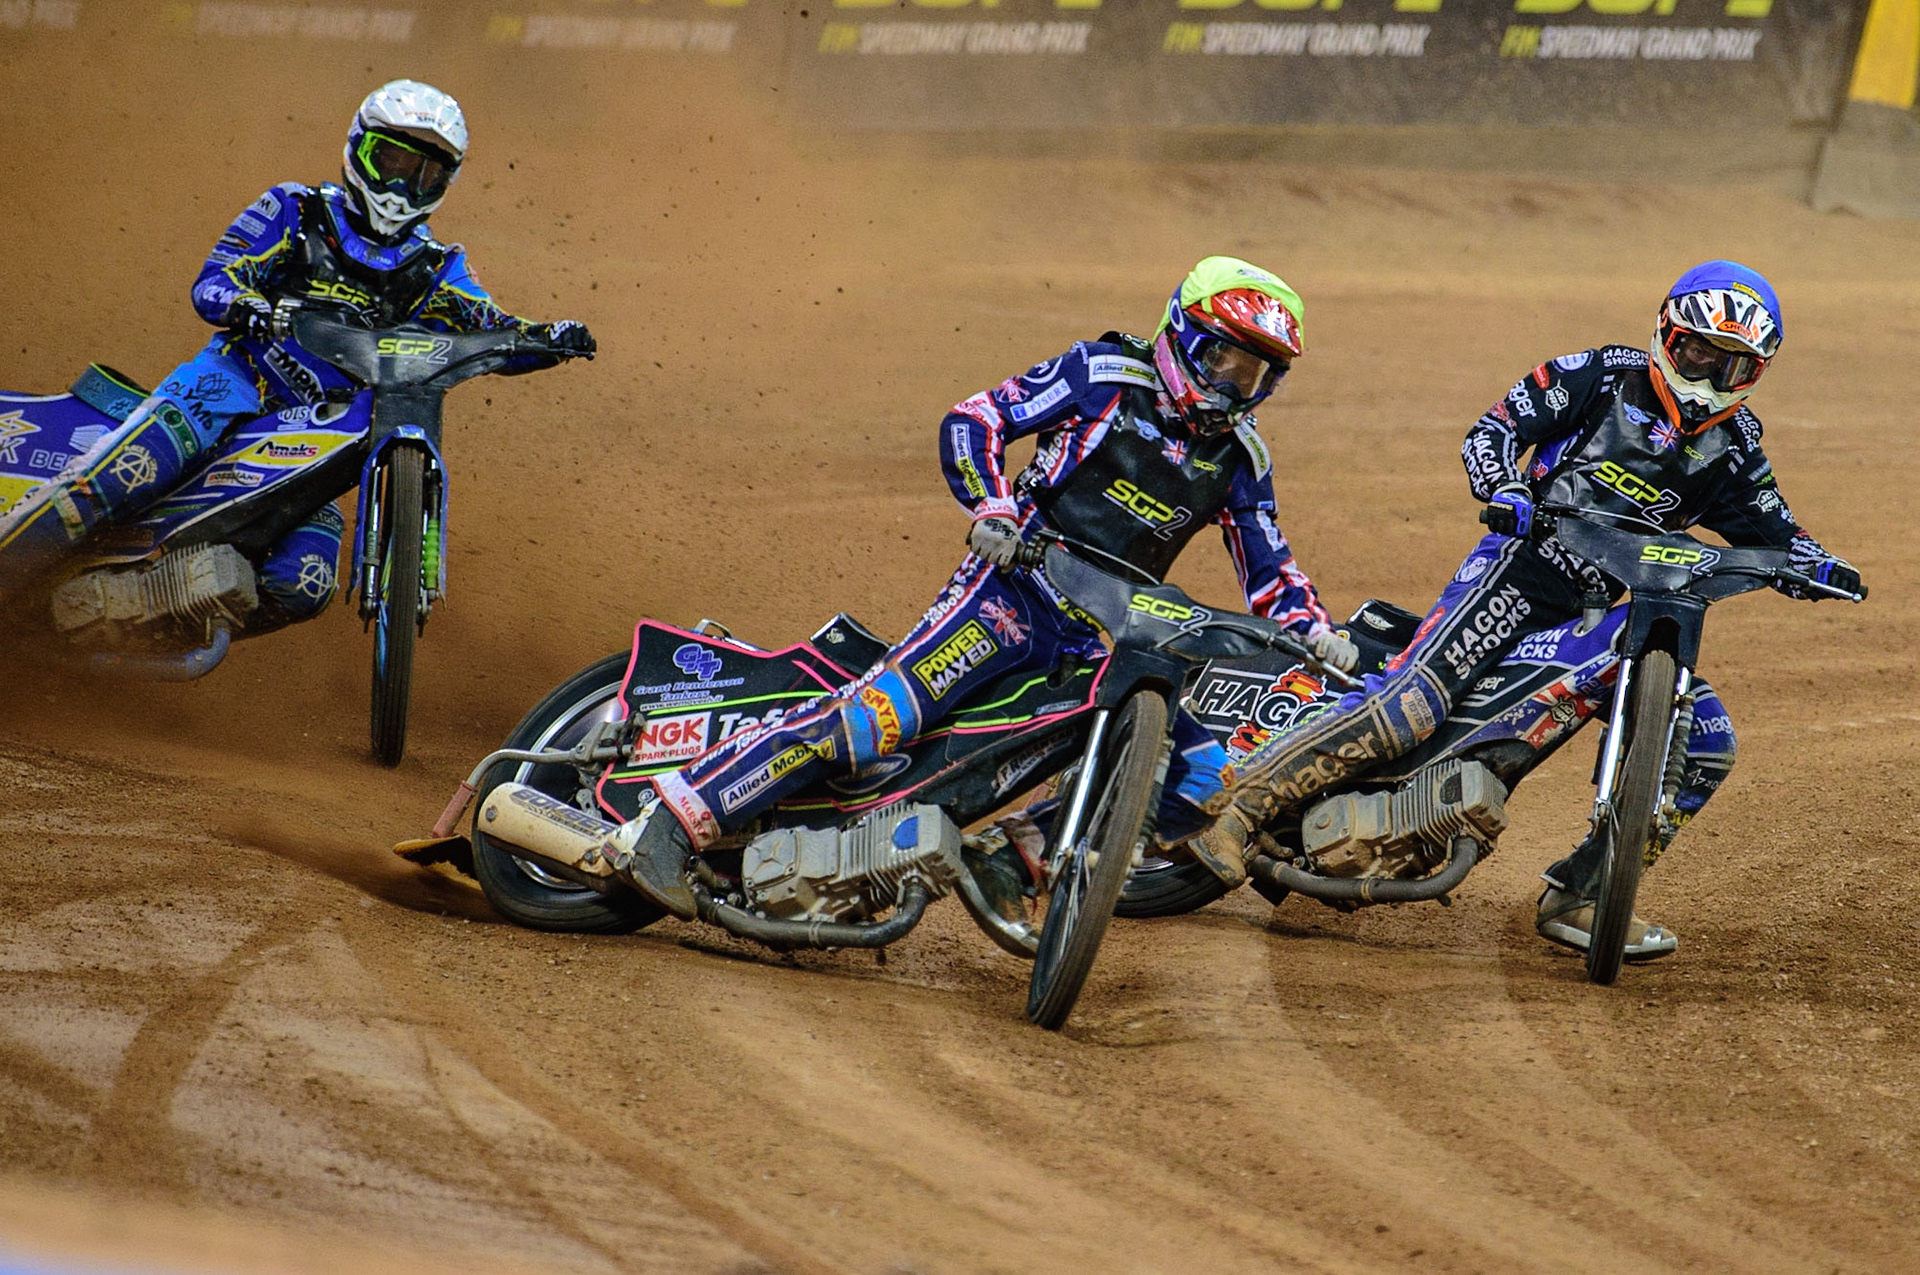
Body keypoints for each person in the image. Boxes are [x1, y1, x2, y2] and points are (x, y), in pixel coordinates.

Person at [611, 257, 1357, 920]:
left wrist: (1316, 631)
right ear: (1182, 337)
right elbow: (976, 419)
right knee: (878, 721)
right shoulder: (1101, 376)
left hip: (1096, 641)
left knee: (1201, 777)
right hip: (1009, 591)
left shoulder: (1241, 459)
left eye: (1254, 373)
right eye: (1225, 359)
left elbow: (1272, 571)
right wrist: (994, 507)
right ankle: (675, 821)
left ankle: (1013, 858)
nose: (1234, 384)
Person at [1190, 260, 1864, 960]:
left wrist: (1817, 565)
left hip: (1608, 610)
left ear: (1754, 373)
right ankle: (1240, 815)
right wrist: (1505, 486)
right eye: (1698, 350)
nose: (1707, 374)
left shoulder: (1736, 446)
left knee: (1705, 743)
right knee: (1412, 704)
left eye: (1731, 365)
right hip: (1520, 568)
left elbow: (1779, 531)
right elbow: (1493, 429)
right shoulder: (1600, 374)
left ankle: (1585, 894)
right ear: (1668, 331)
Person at [0, 79, 595, 633]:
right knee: (122, 476)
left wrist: (549, 338)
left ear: (444, 184)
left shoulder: (438, 266)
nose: (400, 187)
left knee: (304, 583)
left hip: (319, 432)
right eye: (391, 162)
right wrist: (247, 304)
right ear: (360, 150)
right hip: (232, 384)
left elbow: (494, 326)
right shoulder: (296, 208)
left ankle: (124, 614)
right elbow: (213, 281)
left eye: (424, 174)